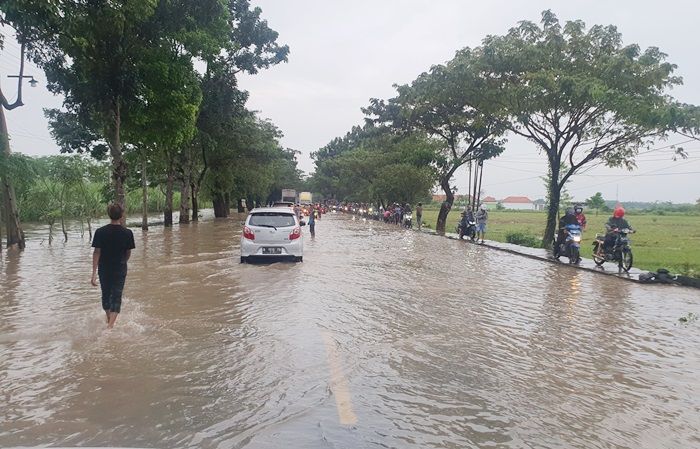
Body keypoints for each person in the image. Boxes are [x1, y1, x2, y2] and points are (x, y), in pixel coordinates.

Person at [91, 204, 135, 329]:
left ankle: (109, 324)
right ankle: (110, 325)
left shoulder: (100, 232)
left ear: (108, 215)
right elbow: (128, 253)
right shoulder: (127, 233)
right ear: (122, 215)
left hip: (104, 269)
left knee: (106, 295)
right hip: (120, 268)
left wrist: (94, 273)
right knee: (116, 295)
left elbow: (96, 252)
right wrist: (123, 262)